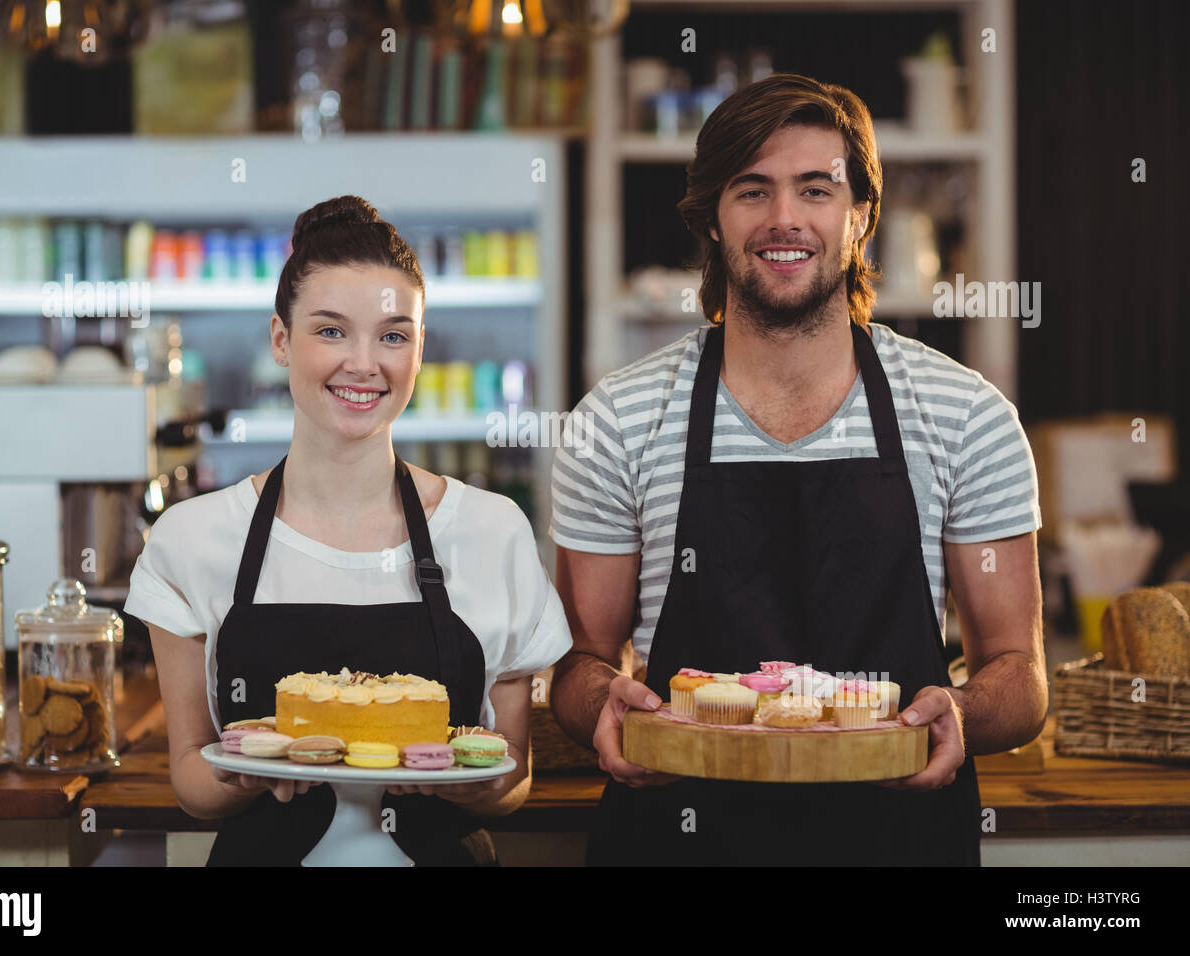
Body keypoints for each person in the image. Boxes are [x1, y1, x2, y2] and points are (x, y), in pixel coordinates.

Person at [548, 74, 1047, 865]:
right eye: (752, 191)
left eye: (816, 189)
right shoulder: (616, 421)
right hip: (680, 838)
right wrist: (598, 701)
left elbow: (1019, 676)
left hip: (900, 841)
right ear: (711, 218)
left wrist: (960, 710)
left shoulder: (966, 415)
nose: (784, 220)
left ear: (862, 217)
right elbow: (579, 662)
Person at [125, 195, 572, 865]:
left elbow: (510, 778)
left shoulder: (492, 532)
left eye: (393, 335)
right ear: (281, 340)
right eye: (331, 331)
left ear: (419, 347)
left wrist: (470, 781)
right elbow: (191, 779)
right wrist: (242, 775)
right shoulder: (191, 541)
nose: (364, 364)